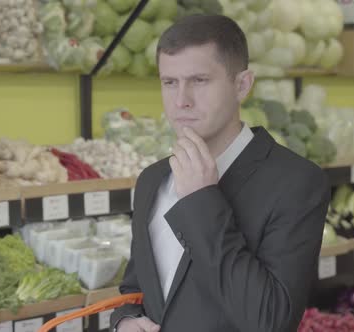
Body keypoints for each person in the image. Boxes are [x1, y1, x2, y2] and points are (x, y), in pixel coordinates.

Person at [109, 14, 330, 332]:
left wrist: (202, 200)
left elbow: (272, 320)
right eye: (170, 82)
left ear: (242, 85)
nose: (181, 101)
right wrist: (125, 320)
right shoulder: (151, 181)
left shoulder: (297, 182)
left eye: (199, 81)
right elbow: (136, 287)